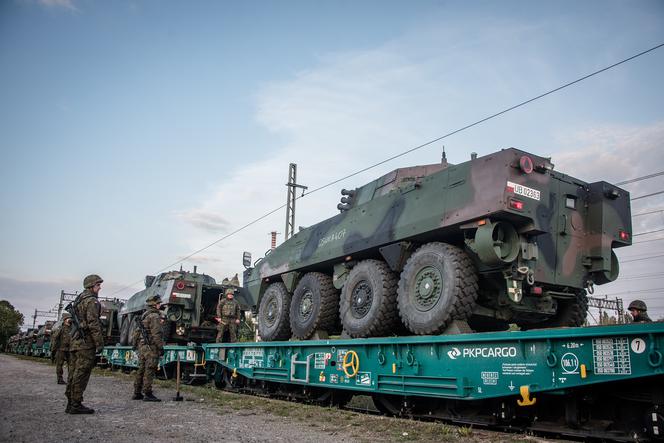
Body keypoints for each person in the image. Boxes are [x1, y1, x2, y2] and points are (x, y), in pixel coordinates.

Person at [65, 274, 104, 414]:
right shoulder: (92, 302)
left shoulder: (78, 301)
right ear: (91, 286)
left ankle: (70, 403)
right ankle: (76, 404)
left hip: (75, 342)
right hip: (86, 343)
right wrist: (99, 343)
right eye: (98, 285)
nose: (99, 288)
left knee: (73, 373)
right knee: (81, 374)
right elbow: (94, 324)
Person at [132, 294, 165, 402]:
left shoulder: (144, 316)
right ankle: (147, 393)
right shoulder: (155, 316)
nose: (160, 305)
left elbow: (136, 332)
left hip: (142, 346)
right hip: (151, 347)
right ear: (155, 304)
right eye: (159, 303)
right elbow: (157, 334)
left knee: (141, 369)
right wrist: (161, 347)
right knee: (149, 369)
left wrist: (134, 345)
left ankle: (137, 392)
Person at [51, 312, 72, 384]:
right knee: (59, 364)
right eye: (68, 318)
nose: (70, 319)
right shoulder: (61, 329)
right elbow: (55, 339)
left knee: (71, 365)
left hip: (70, 349)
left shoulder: (73, 329)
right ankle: (60, 379)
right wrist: (53, 350)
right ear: (64, 320)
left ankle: (71, 379)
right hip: (61, 349)